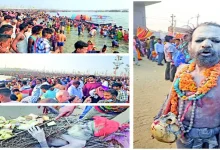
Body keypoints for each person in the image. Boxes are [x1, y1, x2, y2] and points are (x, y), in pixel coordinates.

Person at [156, 22, 220, 148]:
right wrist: (160, 118)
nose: (206, 44)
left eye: (216, 40)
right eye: (199, 40)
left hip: (212, 140)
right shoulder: (182, 70)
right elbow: (171, 98)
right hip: (182, 135)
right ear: (190, 46)